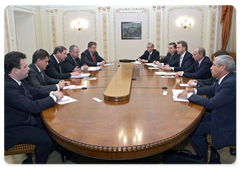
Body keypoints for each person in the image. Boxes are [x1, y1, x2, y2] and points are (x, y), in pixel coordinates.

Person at [2, 51, 64, 164]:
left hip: (23, 118)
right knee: (47, 140)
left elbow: (34, 92)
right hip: (12, 128)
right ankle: (29, 164)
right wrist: (53, 98)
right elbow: (32, 107)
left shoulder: (18, 80)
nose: (28, 68)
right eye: (25, 66)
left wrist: (51, 93)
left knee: (55, 124)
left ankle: (64, 152)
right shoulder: (6, 87)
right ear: (15, 70)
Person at [177, 55, 237, 164]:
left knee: (194, 130)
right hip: (221, 114)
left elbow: (211, 103)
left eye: (214, 65)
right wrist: (193, 91)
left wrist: (189, 96)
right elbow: (211, 89)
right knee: (193, 119)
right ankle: (211, 155)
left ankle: (209, 161)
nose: (211, 67)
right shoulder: (227, 78)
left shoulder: (230, 83)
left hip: (227, 122)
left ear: (222, 67)